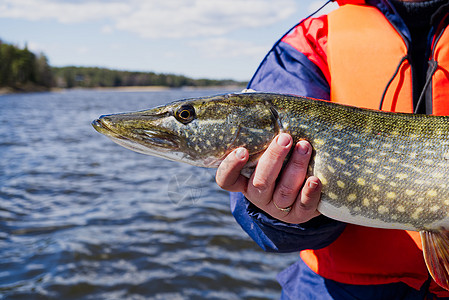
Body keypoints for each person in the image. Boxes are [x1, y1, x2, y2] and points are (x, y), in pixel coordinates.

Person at [215, 0, 449, 299]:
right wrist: (277, 213)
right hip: (339, 289)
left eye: (185, 116)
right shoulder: (312, 40)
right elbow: (261, 221)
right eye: (187, 116)